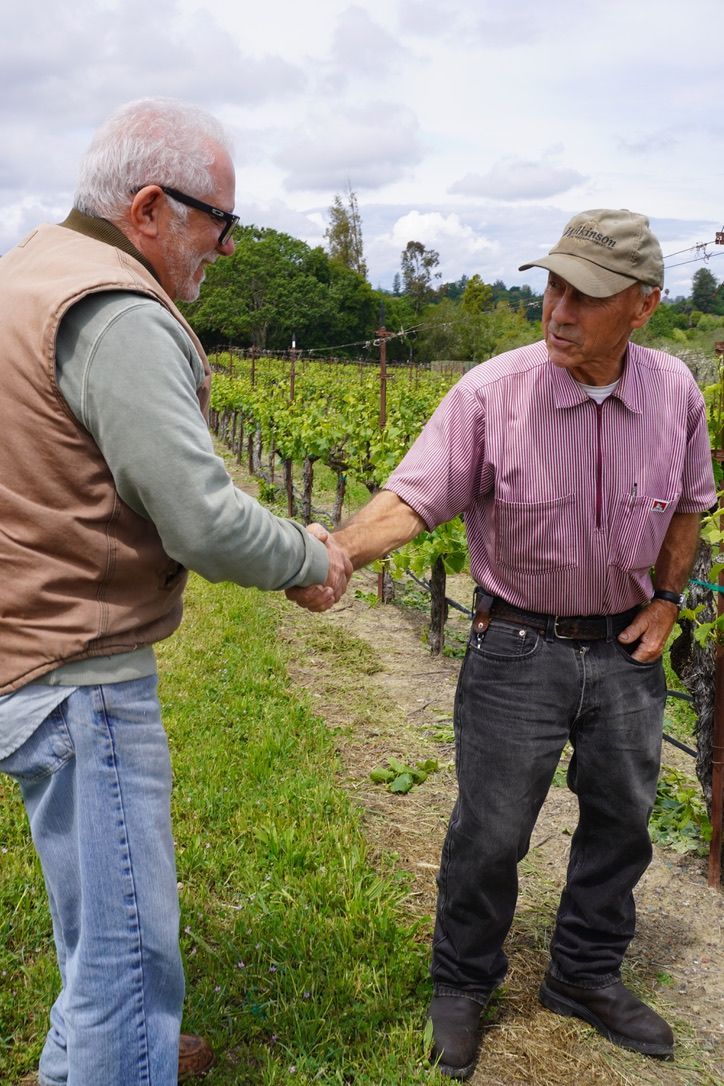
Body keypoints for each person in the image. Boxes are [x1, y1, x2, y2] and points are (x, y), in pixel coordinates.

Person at [288, 209, 717, 1079]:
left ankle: (584, 976)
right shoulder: (491, 394)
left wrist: (669, 604)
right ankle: (463, 982)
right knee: (489, 831)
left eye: (585, 295)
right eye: (552, 285)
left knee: (623, 826)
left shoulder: (676, 393)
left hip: (626, 654)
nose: (557, 309)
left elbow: (689, 507)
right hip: (517, 647)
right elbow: (413, 497)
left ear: (642, 305)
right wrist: (329, 554)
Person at [0, 98, 350, 1086]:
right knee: (127, 955)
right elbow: (199, 516)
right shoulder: (115, 312)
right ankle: (120, 1053)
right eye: (218, 222)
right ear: (151, 208)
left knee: (90, 918)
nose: (228, 248)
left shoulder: (27, 270)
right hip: (82, 674)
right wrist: (310, 558)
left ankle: (84, 1062)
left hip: (26, 645)